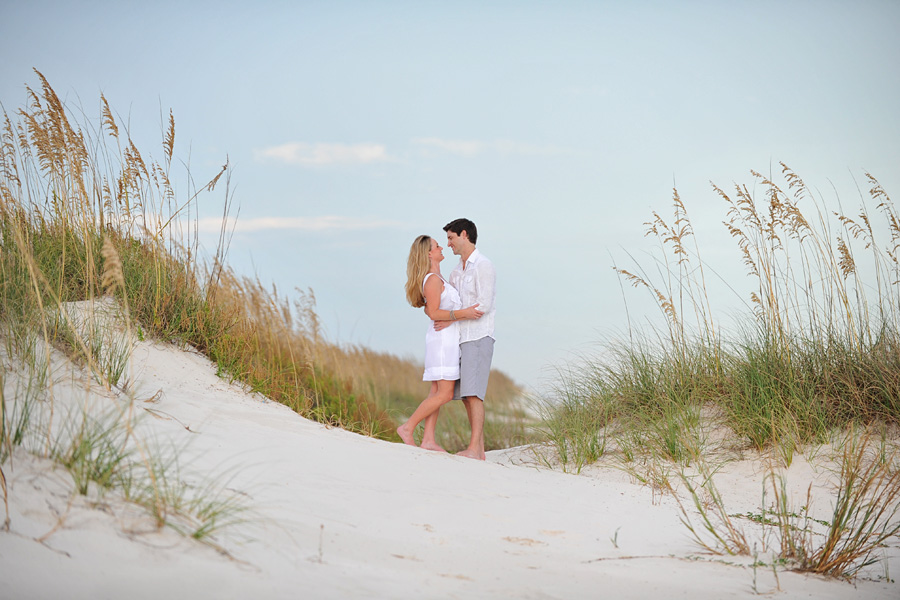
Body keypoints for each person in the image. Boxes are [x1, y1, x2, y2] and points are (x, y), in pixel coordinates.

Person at [397, 235, 483, 451]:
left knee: (436, 391)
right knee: (444, 393)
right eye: (437, 246)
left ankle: (428, 440)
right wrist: (464, 313)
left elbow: (433, 310)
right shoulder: (433, 279)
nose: (441, 247)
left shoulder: (437, 277)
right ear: (428, 253)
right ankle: (408, 427)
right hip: (443, 343)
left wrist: (450, 316)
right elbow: (435, 312)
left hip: (444, 338)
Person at [436, 218, 496, 461]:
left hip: (479, 336)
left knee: (474, 394)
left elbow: (484, 304)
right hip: (460, 338)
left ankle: (474, 450)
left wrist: (452, 318)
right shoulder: (455, 271)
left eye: (450, 238)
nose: (448, 244)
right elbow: (454, 303)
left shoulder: (483, 265)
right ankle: (478, 450)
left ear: (463, 235)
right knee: (464, 396)